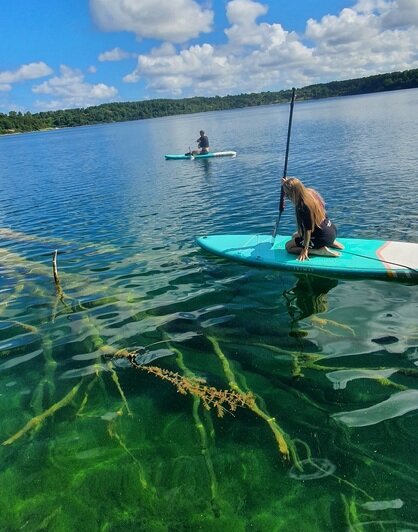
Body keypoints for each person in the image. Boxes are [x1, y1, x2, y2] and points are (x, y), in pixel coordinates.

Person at [281, 176, 343, 262]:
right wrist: (286, 183)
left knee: (288, 246)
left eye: (287, 194)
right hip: (331, 230)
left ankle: (318, 250)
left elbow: (308, 230)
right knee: (294, 236)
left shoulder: (302, 207)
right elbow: (296, 187)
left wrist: (305, 249)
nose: (286, 196)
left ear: (293, 193)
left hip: (321, 237)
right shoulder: (310, 192)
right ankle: (330, 242)